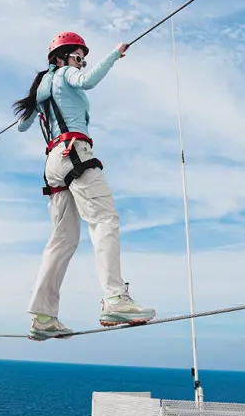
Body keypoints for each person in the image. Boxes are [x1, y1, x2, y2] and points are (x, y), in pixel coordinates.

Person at [13, 31, 156, 341]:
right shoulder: (65, 74)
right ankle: (115, 298)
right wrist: (115, 54)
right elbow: (88, 81)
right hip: (74, 151)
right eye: (78, 57)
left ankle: (43, 317)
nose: (81, 63)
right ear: (61, 58)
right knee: (105, 219)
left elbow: (23, 125)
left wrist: (38, 105)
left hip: (53, 163)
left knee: (62, 240)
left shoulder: (43, 87)